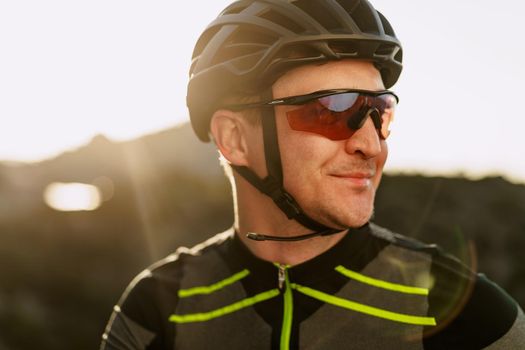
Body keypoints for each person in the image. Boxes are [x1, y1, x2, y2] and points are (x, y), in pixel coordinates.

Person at [100, 0, 524, 349]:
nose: (371, 145)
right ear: (234, 138)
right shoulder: (156, 310)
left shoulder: (467, 313)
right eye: (333, 109)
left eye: (379, 112)